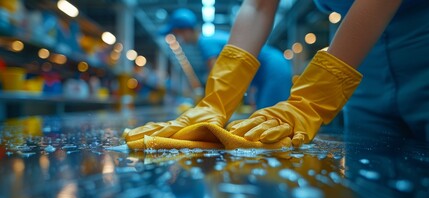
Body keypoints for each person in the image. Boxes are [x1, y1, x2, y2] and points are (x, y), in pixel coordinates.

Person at [124, 0, 429, 148]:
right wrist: (215, 101)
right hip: (363, 58)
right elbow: (257, 7)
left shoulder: (205, 44)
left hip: (416, 45)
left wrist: (309, 100)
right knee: (374, 174)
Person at [160, 8, 292, 109]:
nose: (179, 40)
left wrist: (206, 106)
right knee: (264, 117)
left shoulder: (205, 43)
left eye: (177, 34)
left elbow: (217, 78)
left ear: (186, 30)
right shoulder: (210, 39)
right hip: (268, 69)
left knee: (270, 121)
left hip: (273, 69)